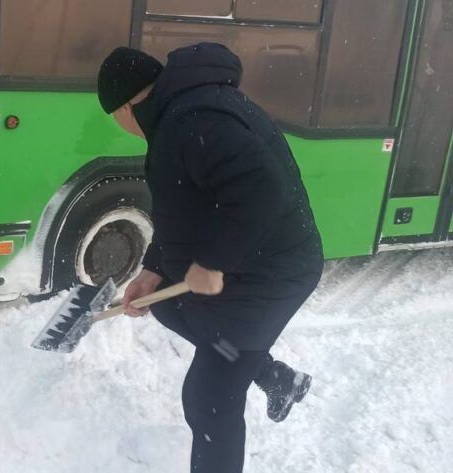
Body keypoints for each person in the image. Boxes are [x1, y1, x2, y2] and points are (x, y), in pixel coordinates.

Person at [97, 43, 324, 472]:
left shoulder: (192, 120)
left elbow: (262, 190)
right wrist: (154, 269)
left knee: (209, 398)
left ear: (125, 108)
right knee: (165, 302)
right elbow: (182, 208)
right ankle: (276, 377)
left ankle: (263, 377)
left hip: (272, 274)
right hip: (257, 262)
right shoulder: (182, 113)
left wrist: (214, 261)